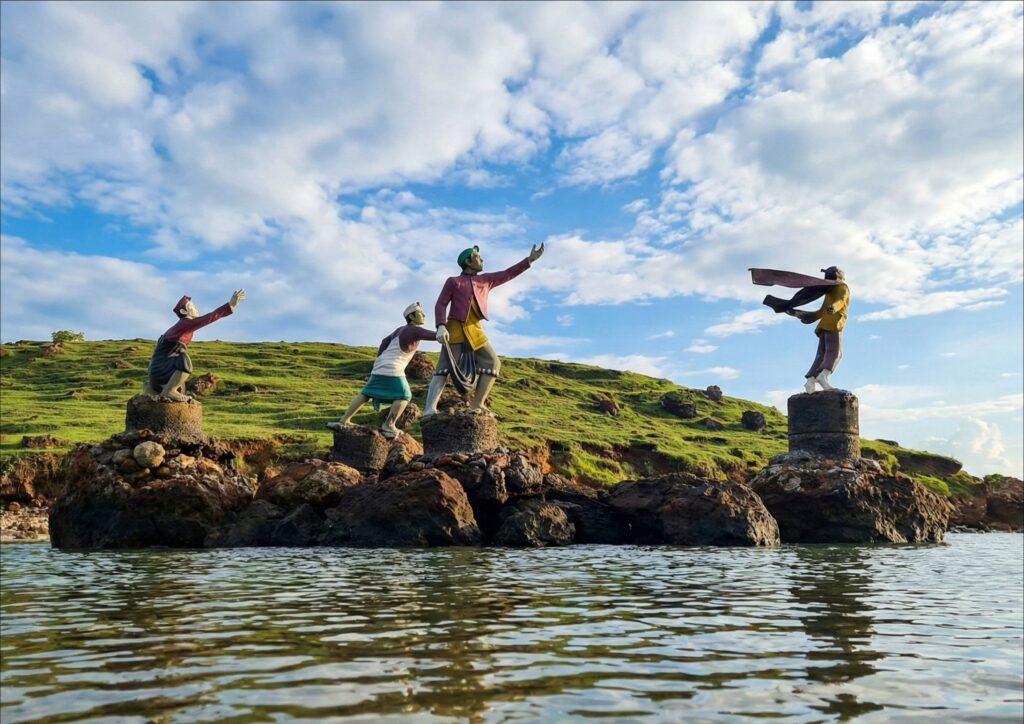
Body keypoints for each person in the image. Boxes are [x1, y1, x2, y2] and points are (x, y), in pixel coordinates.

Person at [424, 243, 544, 416]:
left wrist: (529, 260)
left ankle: (477, 404)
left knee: (493, 363)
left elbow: (507, 274)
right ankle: (429, 409)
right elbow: (440, 304)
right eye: (478, 257)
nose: (482, 260)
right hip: (455, 328)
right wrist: (441, 326)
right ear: (468, 262)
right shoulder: (454, 281)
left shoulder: (485, 280)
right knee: (443, 367)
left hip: (475, 329)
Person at [327, 302, 437, 438]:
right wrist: (445, 330)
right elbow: (434, 335)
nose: (424, 315)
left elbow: (385, 341)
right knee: (404, 396)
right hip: (393, 367)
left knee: (366, 394)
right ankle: (389, 426)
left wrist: (380, 358)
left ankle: (344, 420)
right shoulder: (414, 330)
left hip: (380, 366)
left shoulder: (399, 330)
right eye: (421, 313)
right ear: (412, 317)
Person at [749, 266, 850, 393]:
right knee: (835, 353)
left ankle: (810, 382)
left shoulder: (830, 290)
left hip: (823, 325)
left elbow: (821, 312)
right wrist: (833, 308)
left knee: (821, 355)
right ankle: (823, 376)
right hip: (834, 323)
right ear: (840, 276)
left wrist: (803, 315)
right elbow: (841, 300)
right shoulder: (842, 287)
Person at [145, 290, 245, 401]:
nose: (196, 308)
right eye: (192, 306)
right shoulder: (185, 323)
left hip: (155, 372)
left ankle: (165, 391)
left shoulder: (177, 328)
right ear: (184, 311)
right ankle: (169, 390)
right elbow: (210, 317)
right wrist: (230, 305)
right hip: (161, 369)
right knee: (184, 361)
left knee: (180, 358)